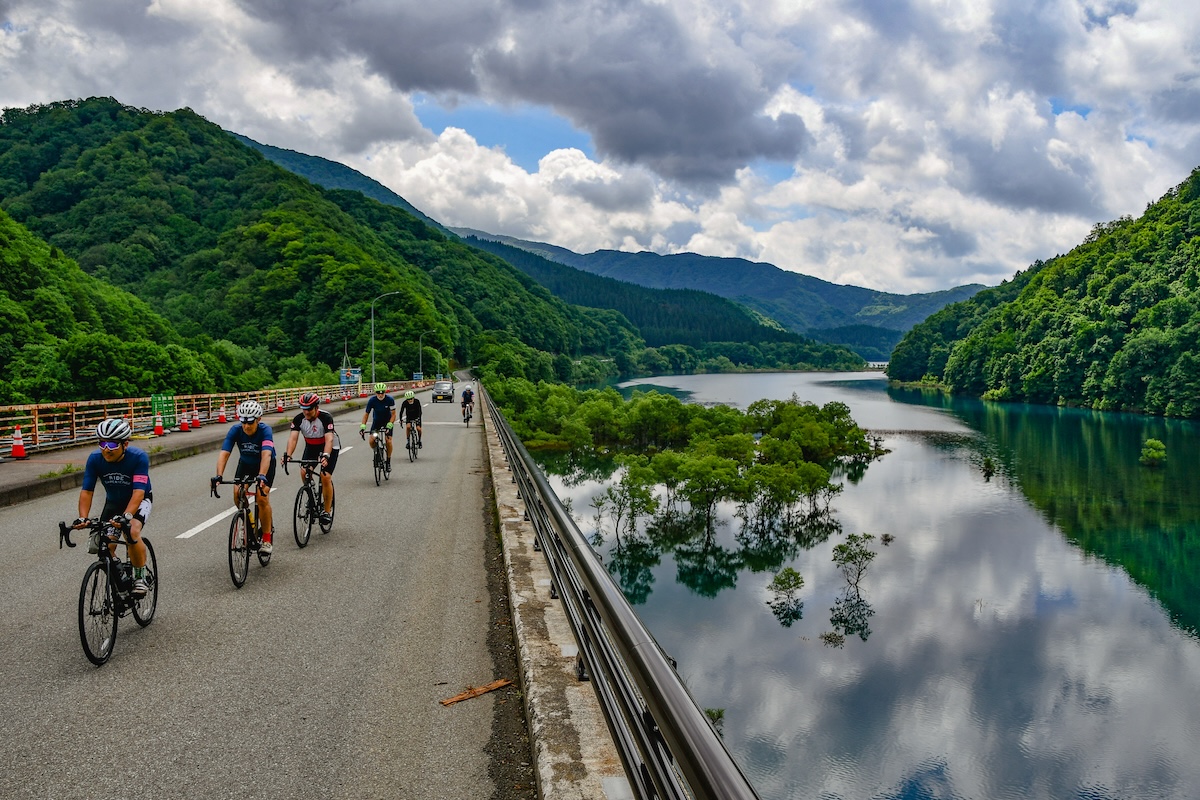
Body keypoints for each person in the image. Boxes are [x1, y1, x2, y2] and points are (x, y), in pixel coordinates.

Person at [73, 418, 152, 597]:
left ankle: (140, 576)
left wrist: (127, 516)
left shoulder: (138, 458)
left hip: (139, 500)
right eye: (102, 443)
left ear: (125, 444)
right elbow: (87, 491)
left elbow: (139, 493)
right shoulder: (95, 459)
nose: (106, 449)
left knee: (131, 532)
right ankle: (119, 574)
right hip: (114, 503)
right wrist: (83, 517)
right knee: (103, 545)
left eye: (111, 444)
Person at [214, 400, 277, 554]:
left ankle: (267, 539)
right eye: (243, 422)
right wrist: (218, 475)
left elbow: (266, 454)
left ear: (258, 419)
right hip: (246, 464)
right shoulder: (235, 430)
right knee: (237, 494)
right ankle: (248, 523)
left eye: (250, 422)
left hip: (265, 464)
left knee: (262, 498)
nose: (246, 426)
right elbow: (224, 453)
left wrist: (262, 475)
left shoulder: (265, 431)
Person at [283, 392, 338, 526]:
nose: (306, 412)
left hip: (329, 446)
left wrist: (325, 455)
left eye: (309, 409)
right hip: (312, 446)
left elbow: (329, 439)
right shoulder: (298, 419)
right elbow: (293, 438)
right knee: (304, 471)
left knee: (325, 476)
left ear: (316, 407)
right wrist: (288, 455)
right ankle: (311, 490)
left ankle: (326, 511)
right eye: (303, 409)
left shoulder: (325, 417)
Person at [359, 382, 396, 465]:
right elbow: (366, 414)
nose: (380, 394)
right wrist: (363, 426)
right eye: (378, 393)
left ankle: (388, 461)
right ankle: (377, 451)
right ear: (375, 393)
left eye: (382, 392)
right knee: (372, 440)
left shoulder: (390, 399)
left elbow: (393, 414)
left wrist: (389, 425)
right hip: (377, 422)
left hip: (387, 422)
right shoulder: (372, 400)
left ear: (385, 392)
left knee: (388, 441)